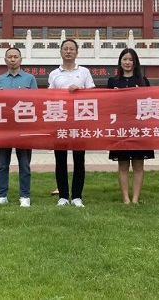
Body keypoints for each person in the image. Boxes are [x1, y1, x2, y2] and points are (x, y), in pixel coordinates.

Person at [48, 39, 95, 207]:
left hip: (79, 121)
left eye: (71, 49)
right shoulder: (54, 74)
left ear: (77, 52)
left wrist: (80, 91)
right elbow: (49, 97)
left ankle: (76, 196)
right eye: (65, 49)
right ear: (61, 52)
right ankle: (63, 196)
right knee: (60, 159)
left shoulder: (84, 72)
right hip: (60, 121)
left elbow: (93, 94)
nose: (68, 51)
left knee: (79, 159)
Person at [107, 48, 154, 204]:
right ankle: (126, 198)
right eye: (125, 59)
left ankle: (135, 198)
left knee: (138, 164)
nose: (127, 62)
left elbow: (150, 104)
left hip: (139, 127)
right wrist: (113, 96)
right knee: (123, 164)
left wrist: (141, 94)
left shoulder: (143, 81)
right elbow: (107, 106)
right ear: (120, 62)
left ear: (135, 63)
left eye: (130, 59)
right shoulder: (113, 81)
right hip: (120, 127)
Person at [0, 47, 38, 207]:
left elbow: (36, 101)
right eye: (10, 57)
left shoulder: (30, 79)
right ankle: (1, 195)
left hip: (24, 128)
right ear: (5, 60)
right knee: (2, 164)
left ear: (21, 59)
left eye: (15, 57)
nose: (12, 59)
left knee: (24, 164)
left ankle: (25, 196)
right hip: (3, 127)